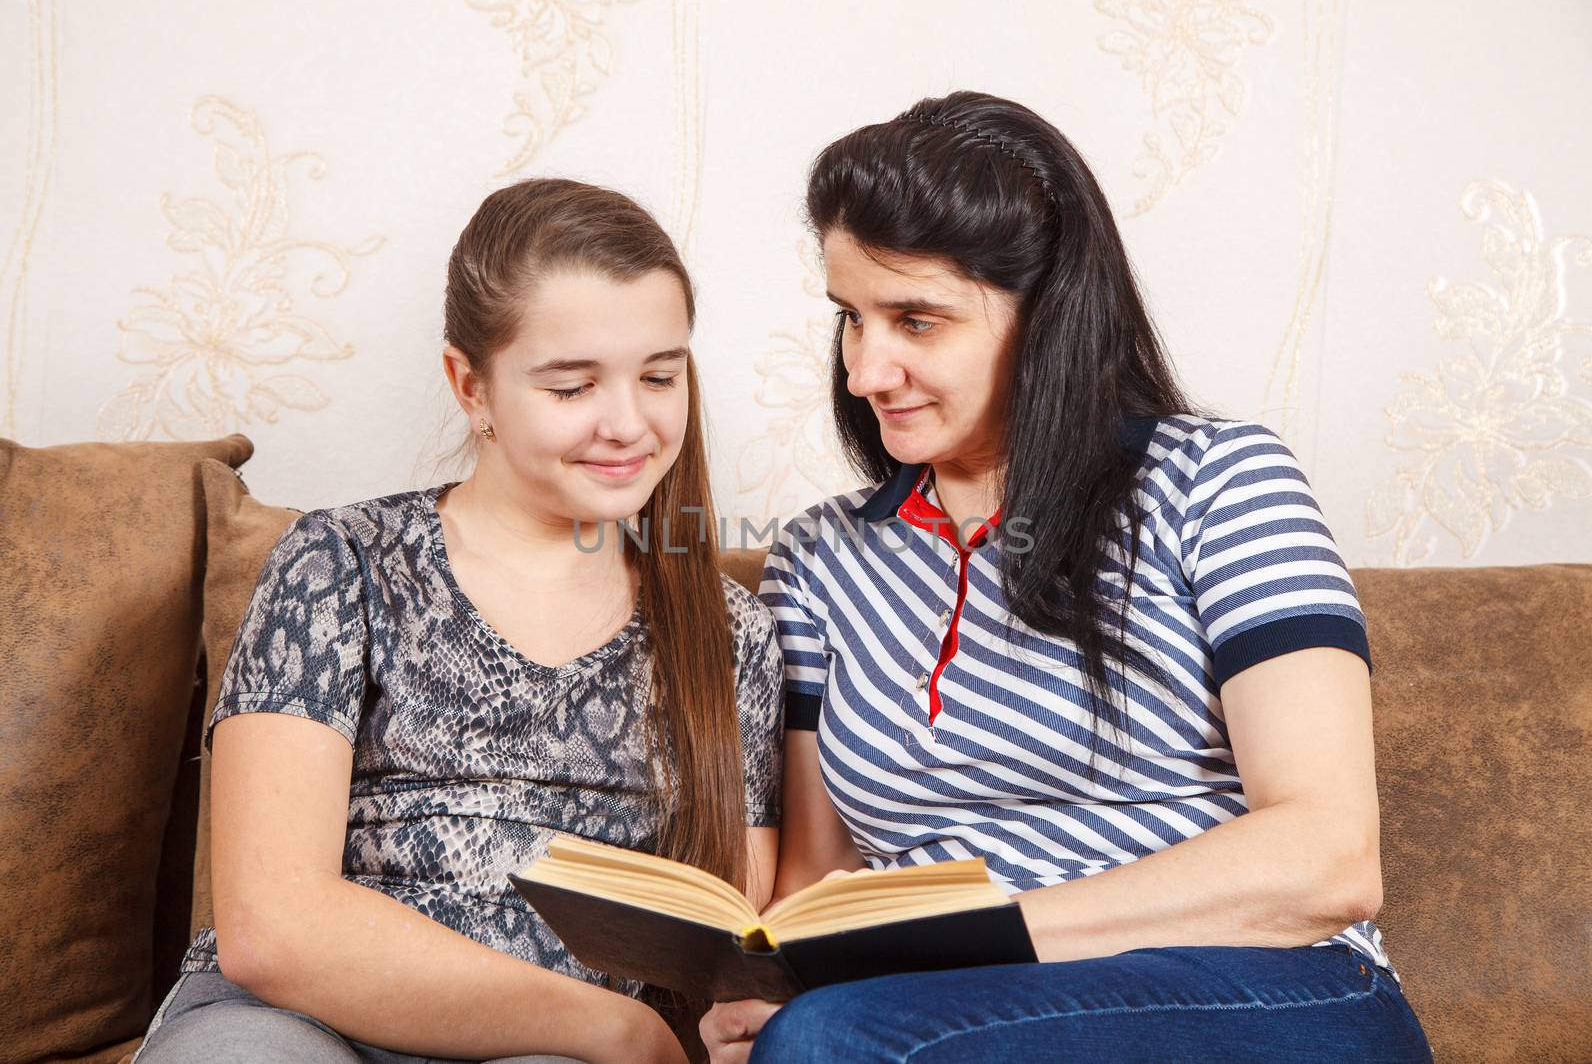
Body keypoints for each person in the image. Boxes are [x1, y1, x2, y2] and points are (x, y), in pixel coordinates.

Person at [701, 91, 1433, 1063]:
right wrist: (771, 997)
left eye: (916, 320)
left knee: (841, 1040)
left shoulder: (1217, 482)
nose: (864, 371)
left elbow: (1327, 856)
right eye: (851, 317)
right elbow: (819, 886)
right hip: (951, 1015)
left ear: (1048, 318)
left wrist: (973, 939)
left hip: (1267, 988)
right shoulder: (821, 557)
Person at [134, 178, 783, 1064]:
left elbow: (726, 934)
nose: (629, 422)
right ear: (470, 385)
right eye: (571, 386)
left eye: (660, 375)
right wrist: (619, 1027)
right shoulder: (340, 561)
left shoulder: (732, 634)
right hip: (298, 1022)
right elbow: (272, 926)